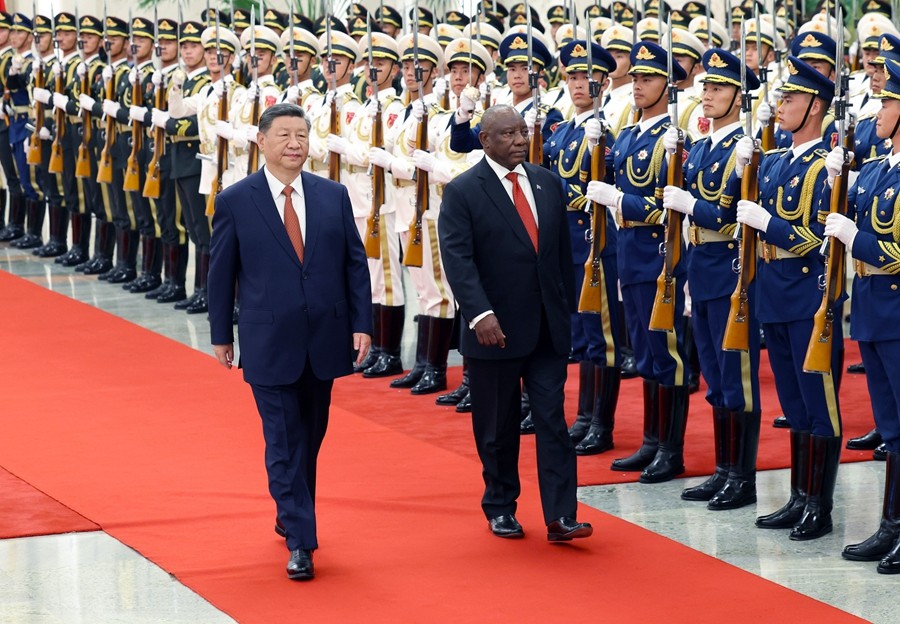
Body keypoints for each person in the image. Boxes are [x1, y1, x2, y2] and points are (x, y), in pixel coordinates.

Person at [208, 103, 372, 580]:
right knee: (283, 440)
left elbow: (354, 263)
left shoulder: (332, 195)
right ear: (261, 141)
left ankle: (289, 510)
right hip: (268, 340)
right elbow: (221, 274)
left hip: (325, 338)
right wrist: (221, 334)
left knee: (309, 438)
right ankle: (301, 541)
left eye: (301, 134)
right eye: (283, 135)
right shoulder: (235, 200)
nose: (294, 143)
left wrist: (361, 323)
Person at [439, 104, 592, 542]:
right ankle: (501, 506)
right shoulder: (463, 191)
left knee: (552, 422)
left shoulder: (547, 182)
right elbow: (458, 260)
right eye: (508, 134)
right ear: (485, 140)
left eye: (522, 132)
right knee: (497, 426)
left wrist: (566, 312)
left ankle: (561, 515)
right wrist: (480, 315)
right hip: (495, 330)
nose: (520, 140)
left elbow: (560, 256)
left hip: (546, 328)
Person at [734, 56, 843, 540]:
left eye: (792, 98)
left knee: (819, 401)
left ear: (815, 106)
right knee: (793, 401)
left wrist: (769, 224)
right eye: (781, 96)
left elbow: (820, 240)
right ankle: (799, 496)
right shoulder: (776, 160)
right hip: (773, 291)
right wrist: (742, 169)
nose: (781, 105)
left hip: (807, 295)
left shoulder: (827, 166)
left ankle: (819, 504)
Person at [662, 48, 762, 510]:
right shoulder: (702, 147)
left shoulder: (745, 148)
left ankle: (742, 476)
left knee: (736, 374)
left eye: (719, 88)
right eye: (706, 86)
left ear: (739, 97)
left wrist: (692, 204)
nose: (707, 94)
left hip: (730, 270)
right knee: (716, 376)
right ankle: (723, 469)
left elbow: (728, 215)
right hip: (700, 266)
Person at [827, 57, 900, 573]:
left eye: (888, 102)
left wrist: (858, 238)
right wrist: (834, 180)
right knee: (891, 427)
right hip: (872, 309)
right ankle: (892, 525)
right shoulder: (876, 169)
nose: (878, 111)